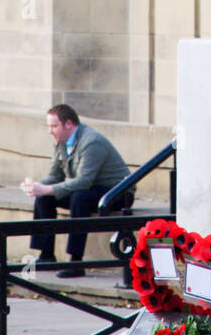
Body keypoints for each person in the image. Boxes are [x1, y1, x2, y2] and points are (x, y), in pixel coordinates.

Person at [23, 104, 133, 277]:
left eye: (54, 126)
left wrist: (47, 188)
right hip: (91, 190)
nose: (50, 131)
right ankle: (46, 255)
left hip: (117, 193)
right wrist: (37, 186)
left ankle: (76, 262)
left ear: (68, 124)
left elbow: (84, 181)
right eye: (49, 126)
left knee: (78, 197)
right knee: (44, 197)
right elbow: (54, 176)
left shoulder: (92, 141)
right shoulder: (60, 142)